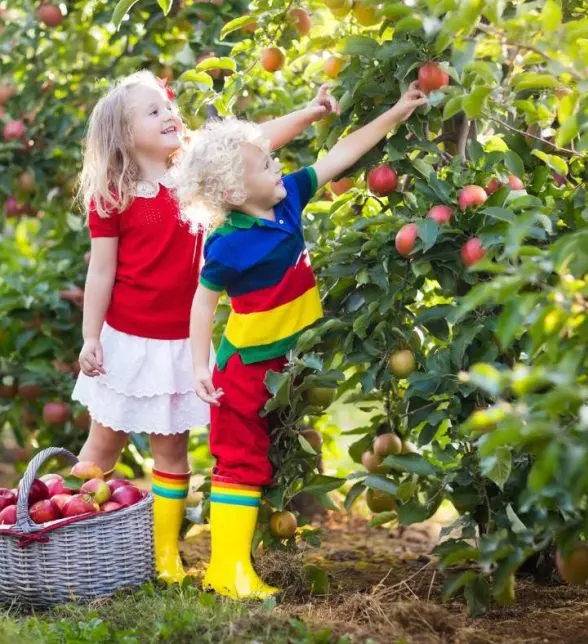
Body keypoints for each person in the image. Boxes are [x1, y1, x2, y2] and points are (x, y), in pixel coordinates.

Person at [71, 69, 339, 584]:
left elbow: (254, 144)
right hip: (127, 339)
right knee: (103, 442)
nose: (169, 115)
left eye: (167, 106)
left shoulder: (192, 167)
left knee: (171, 451)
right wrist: (91, 337)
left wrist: (308, 113)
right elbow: (100, 270)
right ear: (123, 134)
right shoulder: (113, 193)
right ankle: (70, 530)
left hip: (179, 341)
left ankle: (163, 555)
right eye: (152, 112)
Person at [176, 81, 428, 599]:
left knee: (263, 458)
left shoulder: (289, 200)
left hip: (285, 366)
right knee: (239, 462)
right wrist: (199, 366)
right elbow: (204, 303)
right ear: (232, 193)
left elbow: (343, 152)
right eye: (265, 165)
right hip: (244, 367)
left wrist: (397, 112)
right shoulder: (226, 245)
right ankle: (227, 570)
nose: (277, 167)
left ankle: (235, 564)